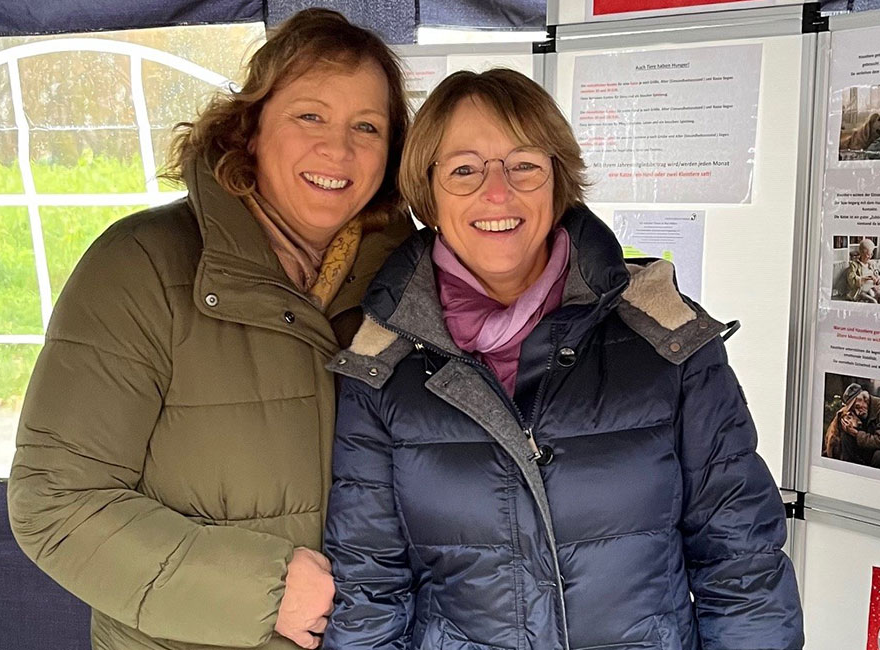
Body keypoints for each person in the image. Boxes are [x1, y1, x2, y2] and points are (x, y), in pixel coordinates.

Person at [322, 69, 803, 650]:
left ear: (557, 181)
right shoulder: (382, 364)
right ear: (429, 194)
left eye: (523, 164)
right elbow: (368, 590)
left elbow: (741, 563)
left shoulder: (664, 337)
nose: (496, 192)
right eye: (464, 169)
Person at [6, 9, 412, 650]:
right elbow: (57, 504)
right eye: (310, 115)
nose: (339, 149)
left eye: (368, 126)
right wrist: (265, 591)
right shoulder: (140, 268)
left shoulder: (409, 282)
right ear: (249, 128)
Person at [842, 383, 880, 470]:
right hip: (864, 447)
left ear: (865, 398)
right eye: (853, 409)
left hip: (878, 450)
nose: (857, 412)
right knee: (846, 436)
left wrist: (857, 434)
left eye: (858, 407)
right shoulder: (856, 412)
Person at [846, 238, 880, 303]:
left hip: (875, 289)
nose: (870, 256)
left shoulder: (871, 264)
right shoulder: (854, 265)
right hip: (862, 292)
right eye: (868, 254)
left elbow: (878, 274)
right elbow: (851, 281)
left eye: (871, 254)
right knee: (873, 302)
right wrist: (865, 278)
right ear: (862, 253)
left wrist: (879, 279)